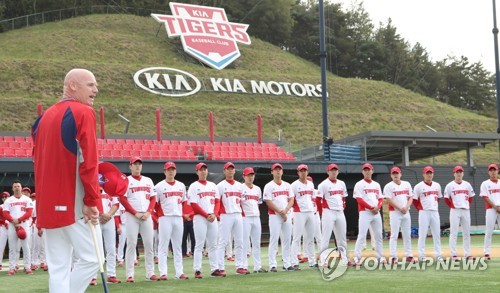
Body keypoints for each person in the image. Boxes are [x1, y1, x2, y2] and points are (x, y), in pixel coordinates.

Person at [32, 68, 103, 293]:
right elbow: (89, 161)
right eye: (90, 85)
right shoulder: (83, 112)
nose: (96, 89)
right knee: (93, 259)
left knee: (58, 268)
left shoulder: (42, 119)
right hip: (74, 201)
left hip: (47, 203)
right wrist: (92, 200)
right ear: (73, 85)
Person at [120, 157, 159, 282]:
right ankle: (130, 274)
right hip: (132, 216)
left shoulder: (148, 180)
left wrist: (149, 212)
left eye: (139, 164)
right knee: (131, 244)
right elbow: (123, 199)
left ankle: (150, 273)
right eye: (135, 164)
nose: (137, 166)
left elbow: (153, 198)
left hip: (146, 215)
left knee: (149, 244)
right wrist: (135, 213)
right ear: (130, 166)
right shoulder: (126, 180)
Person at [155, 161, 189, 280]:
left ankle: (179, 272)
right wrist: (158, 217)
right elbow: (155, 204)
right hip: (165, 218)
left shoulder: (181, 185)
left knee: (177, 246)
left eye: (173, 169)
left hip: (178, 218)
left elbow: (184, 201)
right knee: (163, 246)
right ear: (164, 171)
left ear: (175, 171)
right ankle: (163, 272)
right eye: (168, 169)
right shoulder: (158, 186)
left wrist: (184, 214)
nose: (171, 171)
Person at [188, 162, 220, 278]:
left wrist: (215, 214)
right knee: (199, 244)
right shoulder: (193, 186)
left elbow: (217, 201)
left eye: (205, 169)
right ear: (197, 172)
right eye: (201, 169)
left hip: (212, 217)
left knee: (213, 244)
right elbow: (194, 204)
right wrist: (206, 215)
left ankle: (215, 268)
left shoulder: (213, 185)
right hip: (200, 217)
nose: (203, 171)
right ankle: (197, 269)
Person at [216, 162, 247, 275]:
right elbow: (217, 201)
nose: (230, 171)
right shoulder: (220, 185)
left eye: (232, 169)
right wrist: (218, 214)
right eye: (228, 169)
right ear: (224, 171)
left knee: (239, 241)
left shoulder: (240, 185)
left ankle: (240, 266)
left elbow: (243, 202)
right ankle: (220, 267)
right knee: (223, 241)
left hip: (238, 214)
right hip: (226, 214)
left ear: (234, 171)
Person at [263, 163, 294, 272]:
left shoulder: (287, 185)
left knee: (287, 239)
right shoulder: (269, 185)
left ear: (282, 171)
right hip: (274, 215)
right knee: (274, 239)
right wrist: (281, 212)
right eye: (275, 170)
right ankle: (273, 264)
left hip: (287, 214)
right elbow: (268, 201)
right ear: (272, 172)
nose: (278, 171)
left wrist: (285, 211)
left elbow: (291, 199)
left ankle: (287, 263)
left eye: (279, 169)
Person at [316, 164, 350, 266]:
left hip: (339, 212)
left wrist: (343, 205)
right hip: (328, 211)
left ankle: (345, 259)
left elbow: (344, 197)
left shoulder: (342, 183)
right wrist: (322, 213)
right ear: (328, 172)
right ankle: (323, 260)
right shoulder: (323, 184)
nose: (334, 172)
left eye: (335, 170)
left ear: (338, 172)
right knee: (325, 238)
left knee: (342, 237)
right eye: (332, 170)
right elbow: (318, 200)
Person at [353, 163, 384, 264]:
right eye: (365, 170)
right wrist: (371, 207)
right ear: (362, 172)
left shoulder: (376, 184)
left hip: (376, 213)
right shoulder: (359, 184)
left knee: (379, 235)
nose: (367, 171)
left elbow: (380, 198)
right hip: (365, 212)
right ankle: (357, 257)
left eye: (368, 170)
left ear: (372, 171)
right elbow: (359, 200)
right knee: (362, 235)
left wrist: (378, 207)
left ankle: (380, 257)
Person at [383, 167, 415, 264]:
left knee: (407, 234)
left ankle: (409, 255)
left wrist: (406, 207)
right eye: (393, 173)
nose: (395, 175)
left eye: (397, 173)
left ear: (400, 174)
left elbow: (411, 197)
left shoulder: (407, 184)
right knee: (394, 235)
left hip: (406, 212)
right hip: (395, 212)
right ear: (391, 175)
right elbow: (388, 199)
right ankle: (393, 256)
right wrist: (400, 208)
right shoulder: (388, 186)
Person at [90, 187, 121, 285]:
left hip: (109, 219)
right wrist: (102, 214)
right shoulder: (92, 186)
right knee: (95, 248)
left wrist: (108, 215)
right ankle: (92, 276)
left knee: (111, 248)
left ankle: (111, 275)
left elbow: (116, 204)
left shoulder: (111, 187)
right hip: (95, 218)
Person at [3, 180, 34, 275]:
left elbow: (29, 212)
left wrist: (19, 220)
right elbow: (5, 213)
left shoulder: (27, 199)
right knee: (12, 247)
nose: (17, 188)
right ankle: (12, 267)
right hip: (12, 225)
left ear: (21, 188)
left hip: (24, 224)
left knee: (26, 247)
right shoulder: (9, 200)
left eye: (18, 186)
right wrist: (14, 221)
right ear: (12, 188)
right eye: (15, 186)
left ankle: (27, 267)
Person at [444, 166, 475, 260]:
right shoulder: (450, 185)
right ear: (454, 173)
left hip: (465, 210)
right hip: (455, 210)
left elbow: (471, 197)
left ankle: (467, 254)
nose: (459, 173)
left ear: (463, 173)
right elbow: (446, 198)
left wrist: (467, 205)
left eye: (460, 172)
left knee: (466, 233)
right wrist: (452, 206)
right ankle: (453, 254)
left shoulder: (467, 185)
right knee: (454, 233)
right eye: (457, 172)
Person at [413, 166, 443, 261]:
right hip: (424, 212)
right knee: (422, 234)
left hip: (434, 211)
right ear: (423, 174)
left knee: (436, 234)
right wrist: (421, 209)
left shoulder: (437, 185)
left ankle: (438, 255)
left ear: (433, 174)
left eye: (430, 173)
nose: (429, 175)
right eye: (427, 173)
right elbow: (415, 200)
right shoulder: (418, 186)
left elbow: (438, 198)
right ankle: (421, 255)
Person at [241, 167, 267, 273]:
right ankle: (244, 266)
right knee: (244, 242)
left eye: (252, 175)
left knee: (256, 243)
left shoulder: (257, 189)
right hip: (245, 217)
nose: (250, 177)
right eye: (248, 175)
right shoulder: (240, 188)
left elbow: (258, 203)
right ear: (244, 176)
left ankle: (257, 266)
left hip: (256, 217)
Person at [290, 164, 317, 269]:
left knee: (310, 238)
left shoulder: (310, 184)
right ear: (298, 172)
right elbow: (291, 200)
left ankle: (312, 261)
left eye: (305, 170)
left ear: (307, 172)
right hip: (299, 212)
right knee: (296, 238)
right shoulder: (294, 185)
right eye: (301, 171)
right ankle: (294, 262)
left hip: (310, 212)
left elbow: (312, 198)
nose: (303, 172)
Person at [480, 164, 500, 259]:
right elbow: (485, 197)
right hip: (491, 209)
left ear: (497, 171)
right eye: (491, 170)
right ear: (488, 172)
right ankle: (486, 253)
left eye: (494, 170)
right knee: (489, 231)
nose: (493, 172)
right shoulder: (485, 183)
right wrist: (495, 207)